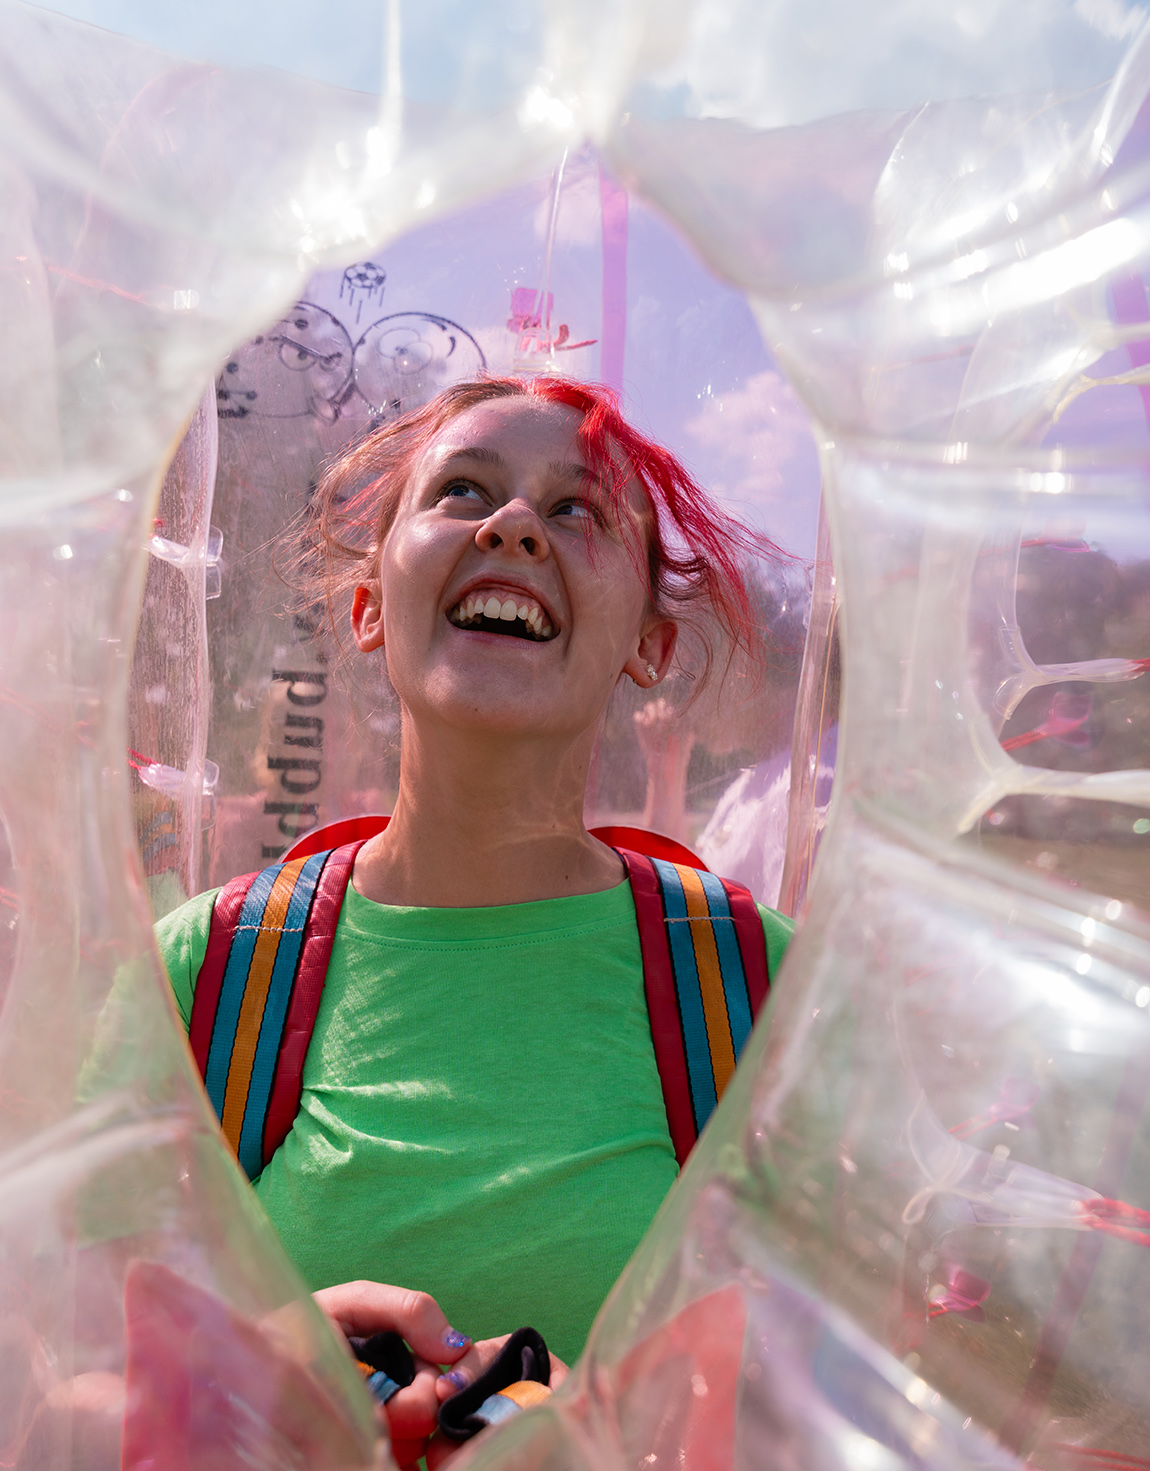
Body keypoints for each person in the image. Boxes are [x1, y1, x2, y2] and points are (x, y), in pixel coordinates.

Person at [155, 375, 794, 1459]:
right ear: (367, 605)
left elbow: (831, 1388)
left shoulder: (747, 979)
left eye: (577, 510)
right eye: (463, 490)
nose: (513, 528)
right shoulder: (210, 966)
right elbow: (59, 1373)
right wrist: (262, 1365)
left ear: (646, 641)